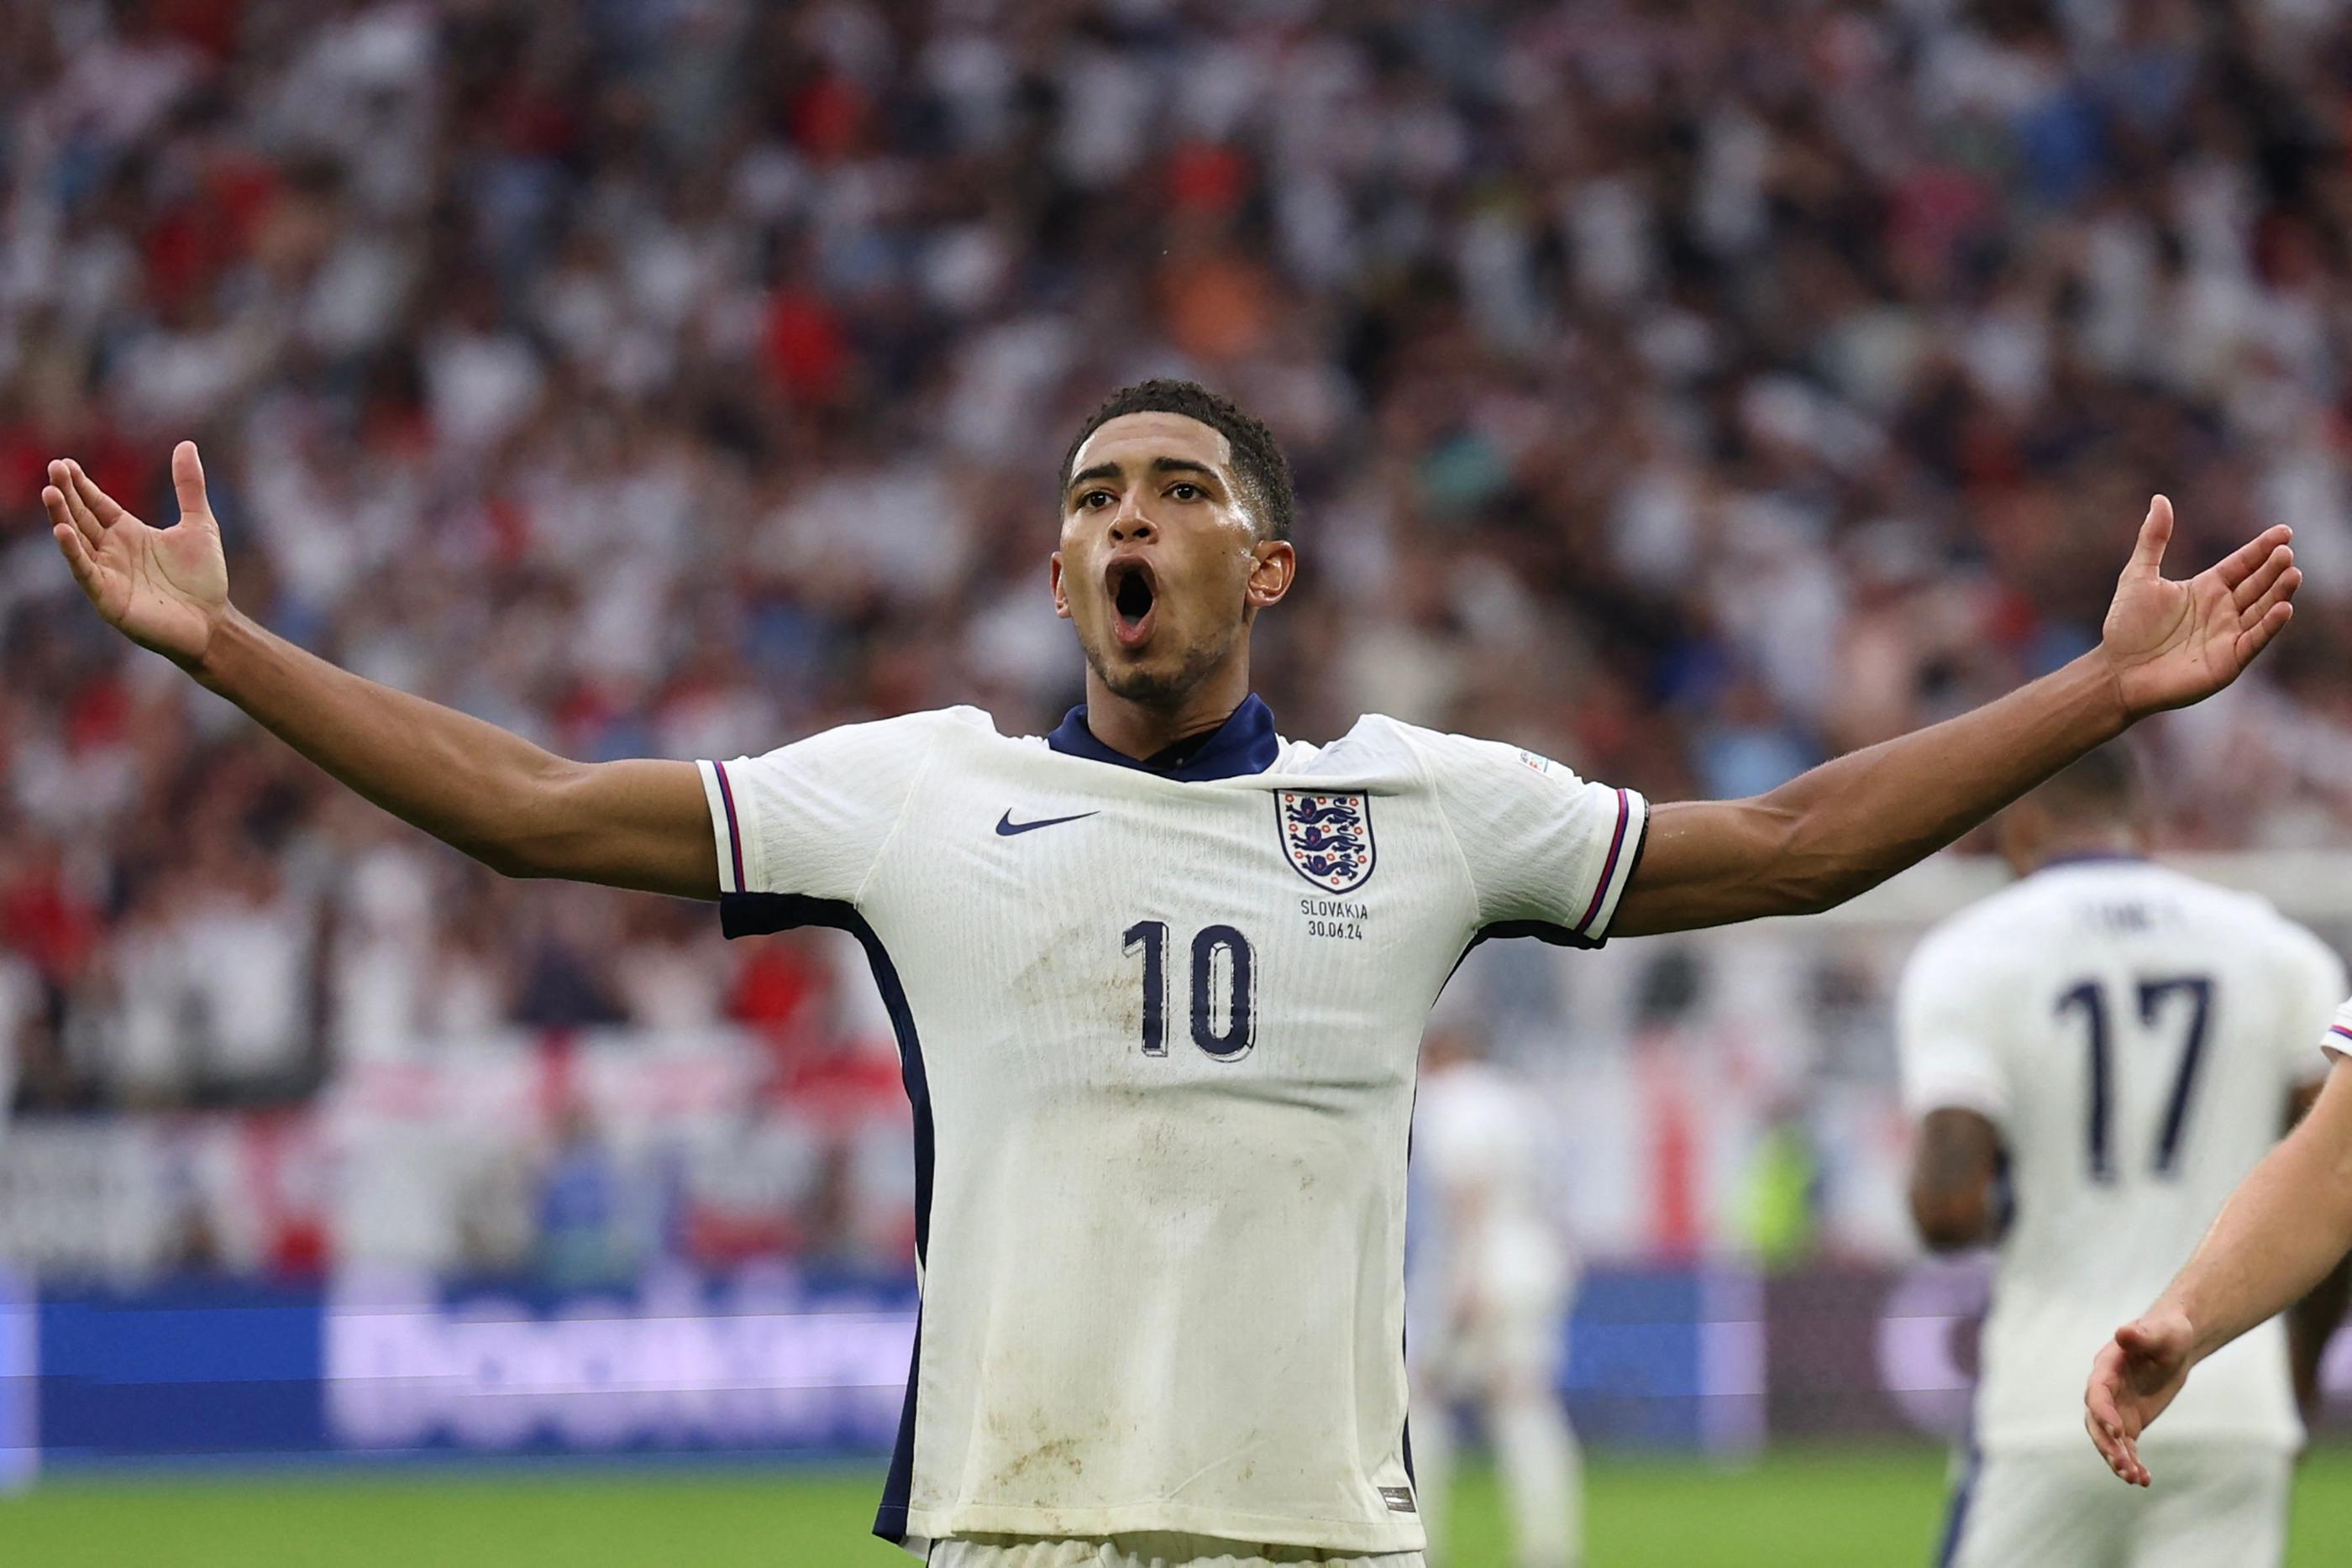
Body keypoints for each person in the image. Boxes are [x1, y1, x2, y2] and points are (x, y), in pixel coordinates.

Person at [42, 378, 2302, 1567]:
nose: (1129, 517)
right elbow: (533, 806)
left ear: (1268, 560)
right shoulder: (913, 797)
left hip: (1328, 1536)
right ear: (1055, 563)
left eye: (1178, 487)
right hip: (1026, 1533)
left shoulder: (1425, 807)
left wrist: (2092, 701)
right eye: (1096, 493)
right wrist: (228, 646)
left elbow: (1795, 846)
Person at [1898, 747, 2347, 1568]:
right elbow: (2336, 1176)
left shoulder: (1969, 954)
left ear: (2020, 830)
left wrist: (2049, 1198)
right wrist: (2297, 1375)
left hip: (2050, 1393)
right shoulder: (2276, 950)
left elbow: (1947, 1207)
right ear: (2144, 827)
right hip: (2235, 1394)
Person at [1407, 1017, 1582, 1568]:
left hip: (1478, 1266)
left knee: (1421, 1403)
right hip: (1536, 1260)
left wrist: (1466, 1278)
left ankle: (1419, 1544)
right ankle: (1550, 1548)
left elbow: (1469, 1189)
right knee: (1526, 1405)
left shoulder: (1446, 1098)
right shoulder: (1520, 1099)